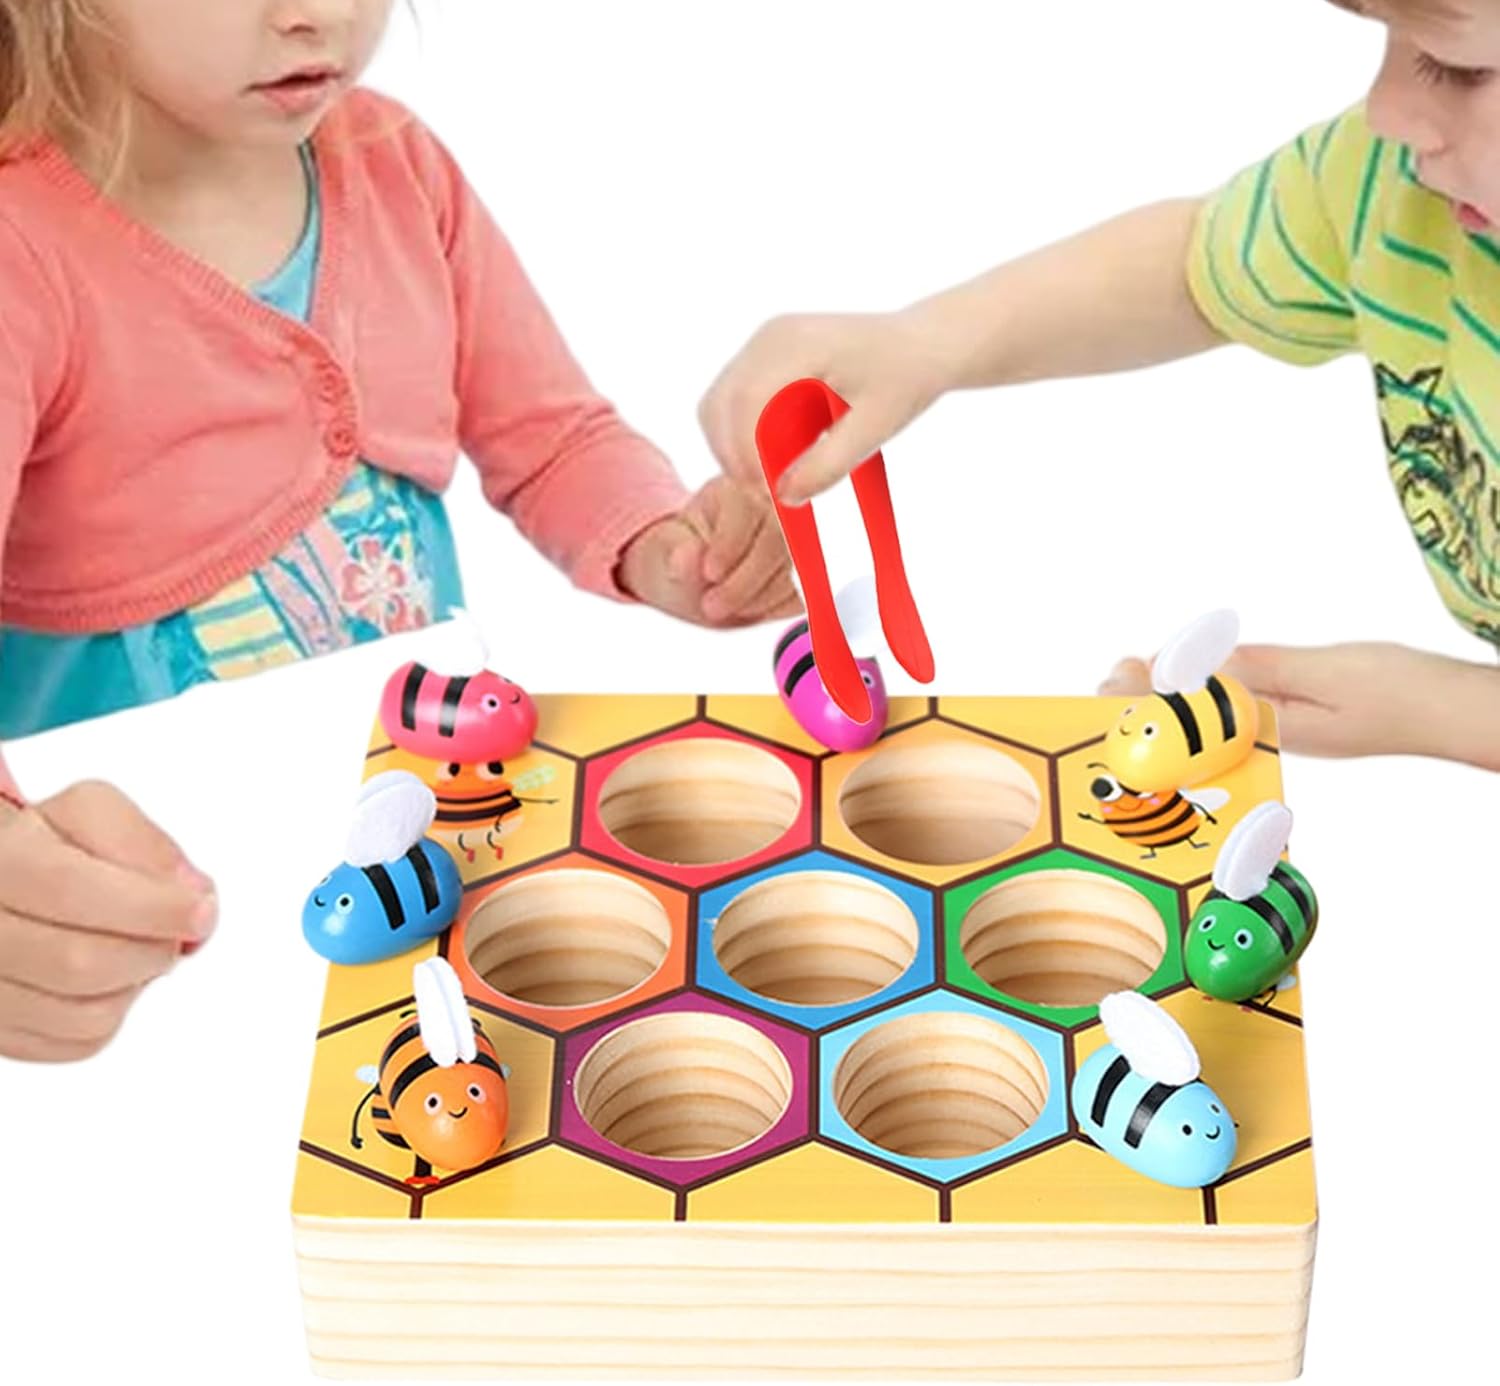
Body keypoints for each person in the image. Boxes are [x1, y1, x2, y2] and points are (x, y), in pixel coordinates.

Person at [0, 0, 796, 1062]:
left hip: (419, 820)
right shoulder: (18, 246)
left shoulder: (393, 163)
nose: (320, 13)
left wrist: (669, 546)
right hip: (167, 926)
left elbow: (554, 437)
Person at [702, 0, 1500, 772]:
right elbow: (1198, 269)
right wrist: (924, 343)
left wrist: (1444, 711)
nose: (1388, 111)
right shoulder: (1389, 186)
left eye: (1461, 69)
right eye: (1393, 37)